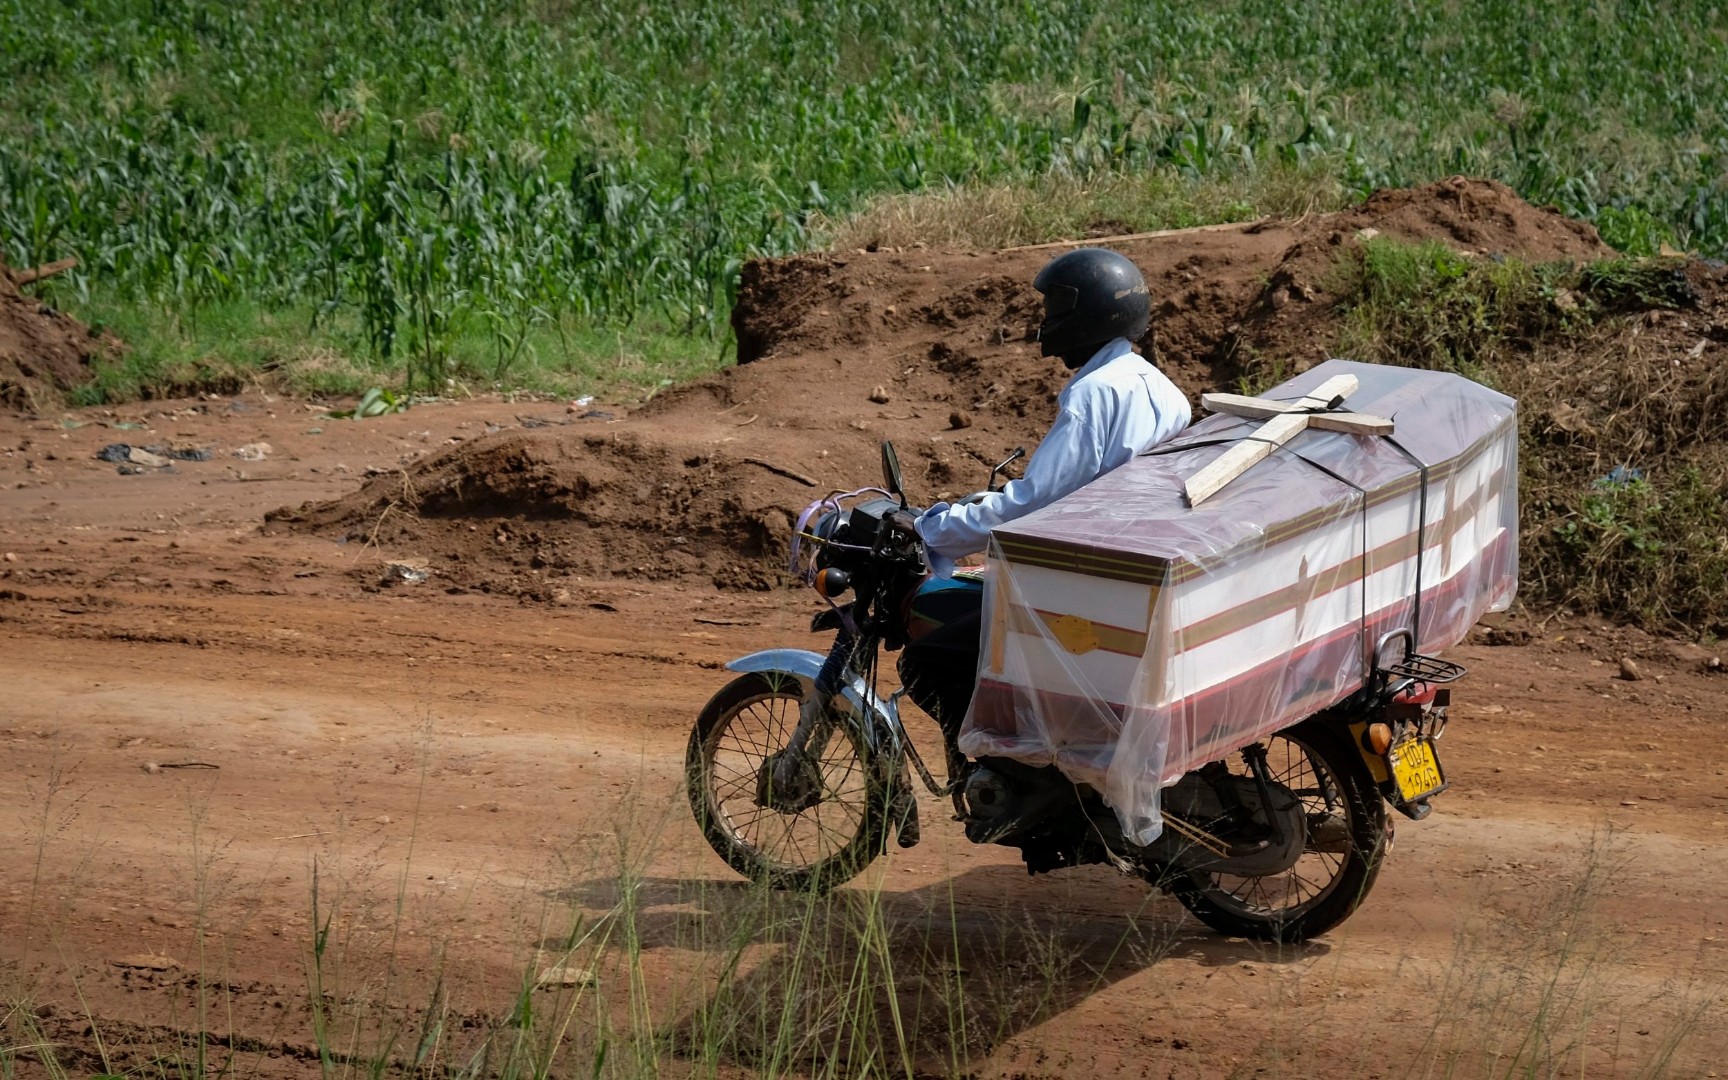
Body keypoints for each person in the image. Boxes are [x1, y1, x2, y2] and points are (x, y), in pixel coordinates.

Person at [914, 246, 1190, 574]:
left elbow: (1033, 502)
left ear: (1087, 315)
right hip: (1145, 551)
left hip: (1086, 566)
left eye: (1055, 310)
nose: (1047, 322)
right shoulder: (1163, 388)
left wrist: (931, 531)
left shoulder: (1092, 394)